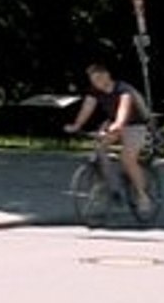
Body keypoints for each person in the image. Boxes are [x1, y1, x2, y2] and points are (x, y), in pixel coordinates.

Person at [63, 62, 154, 216]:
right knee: (99, 148)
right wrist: (76, 125)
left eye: (98, 78)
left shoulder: (123, 90)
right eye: (93, 79)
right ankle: (112, 185)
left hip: (136, 125)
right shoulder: (95, 92)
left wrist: (118, 124)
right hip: (114, 124)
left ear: (107, 75)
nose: (95, 82)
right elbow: (87, 109)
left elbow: (123, 110)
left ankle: (142, 196)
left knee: (127, 159)